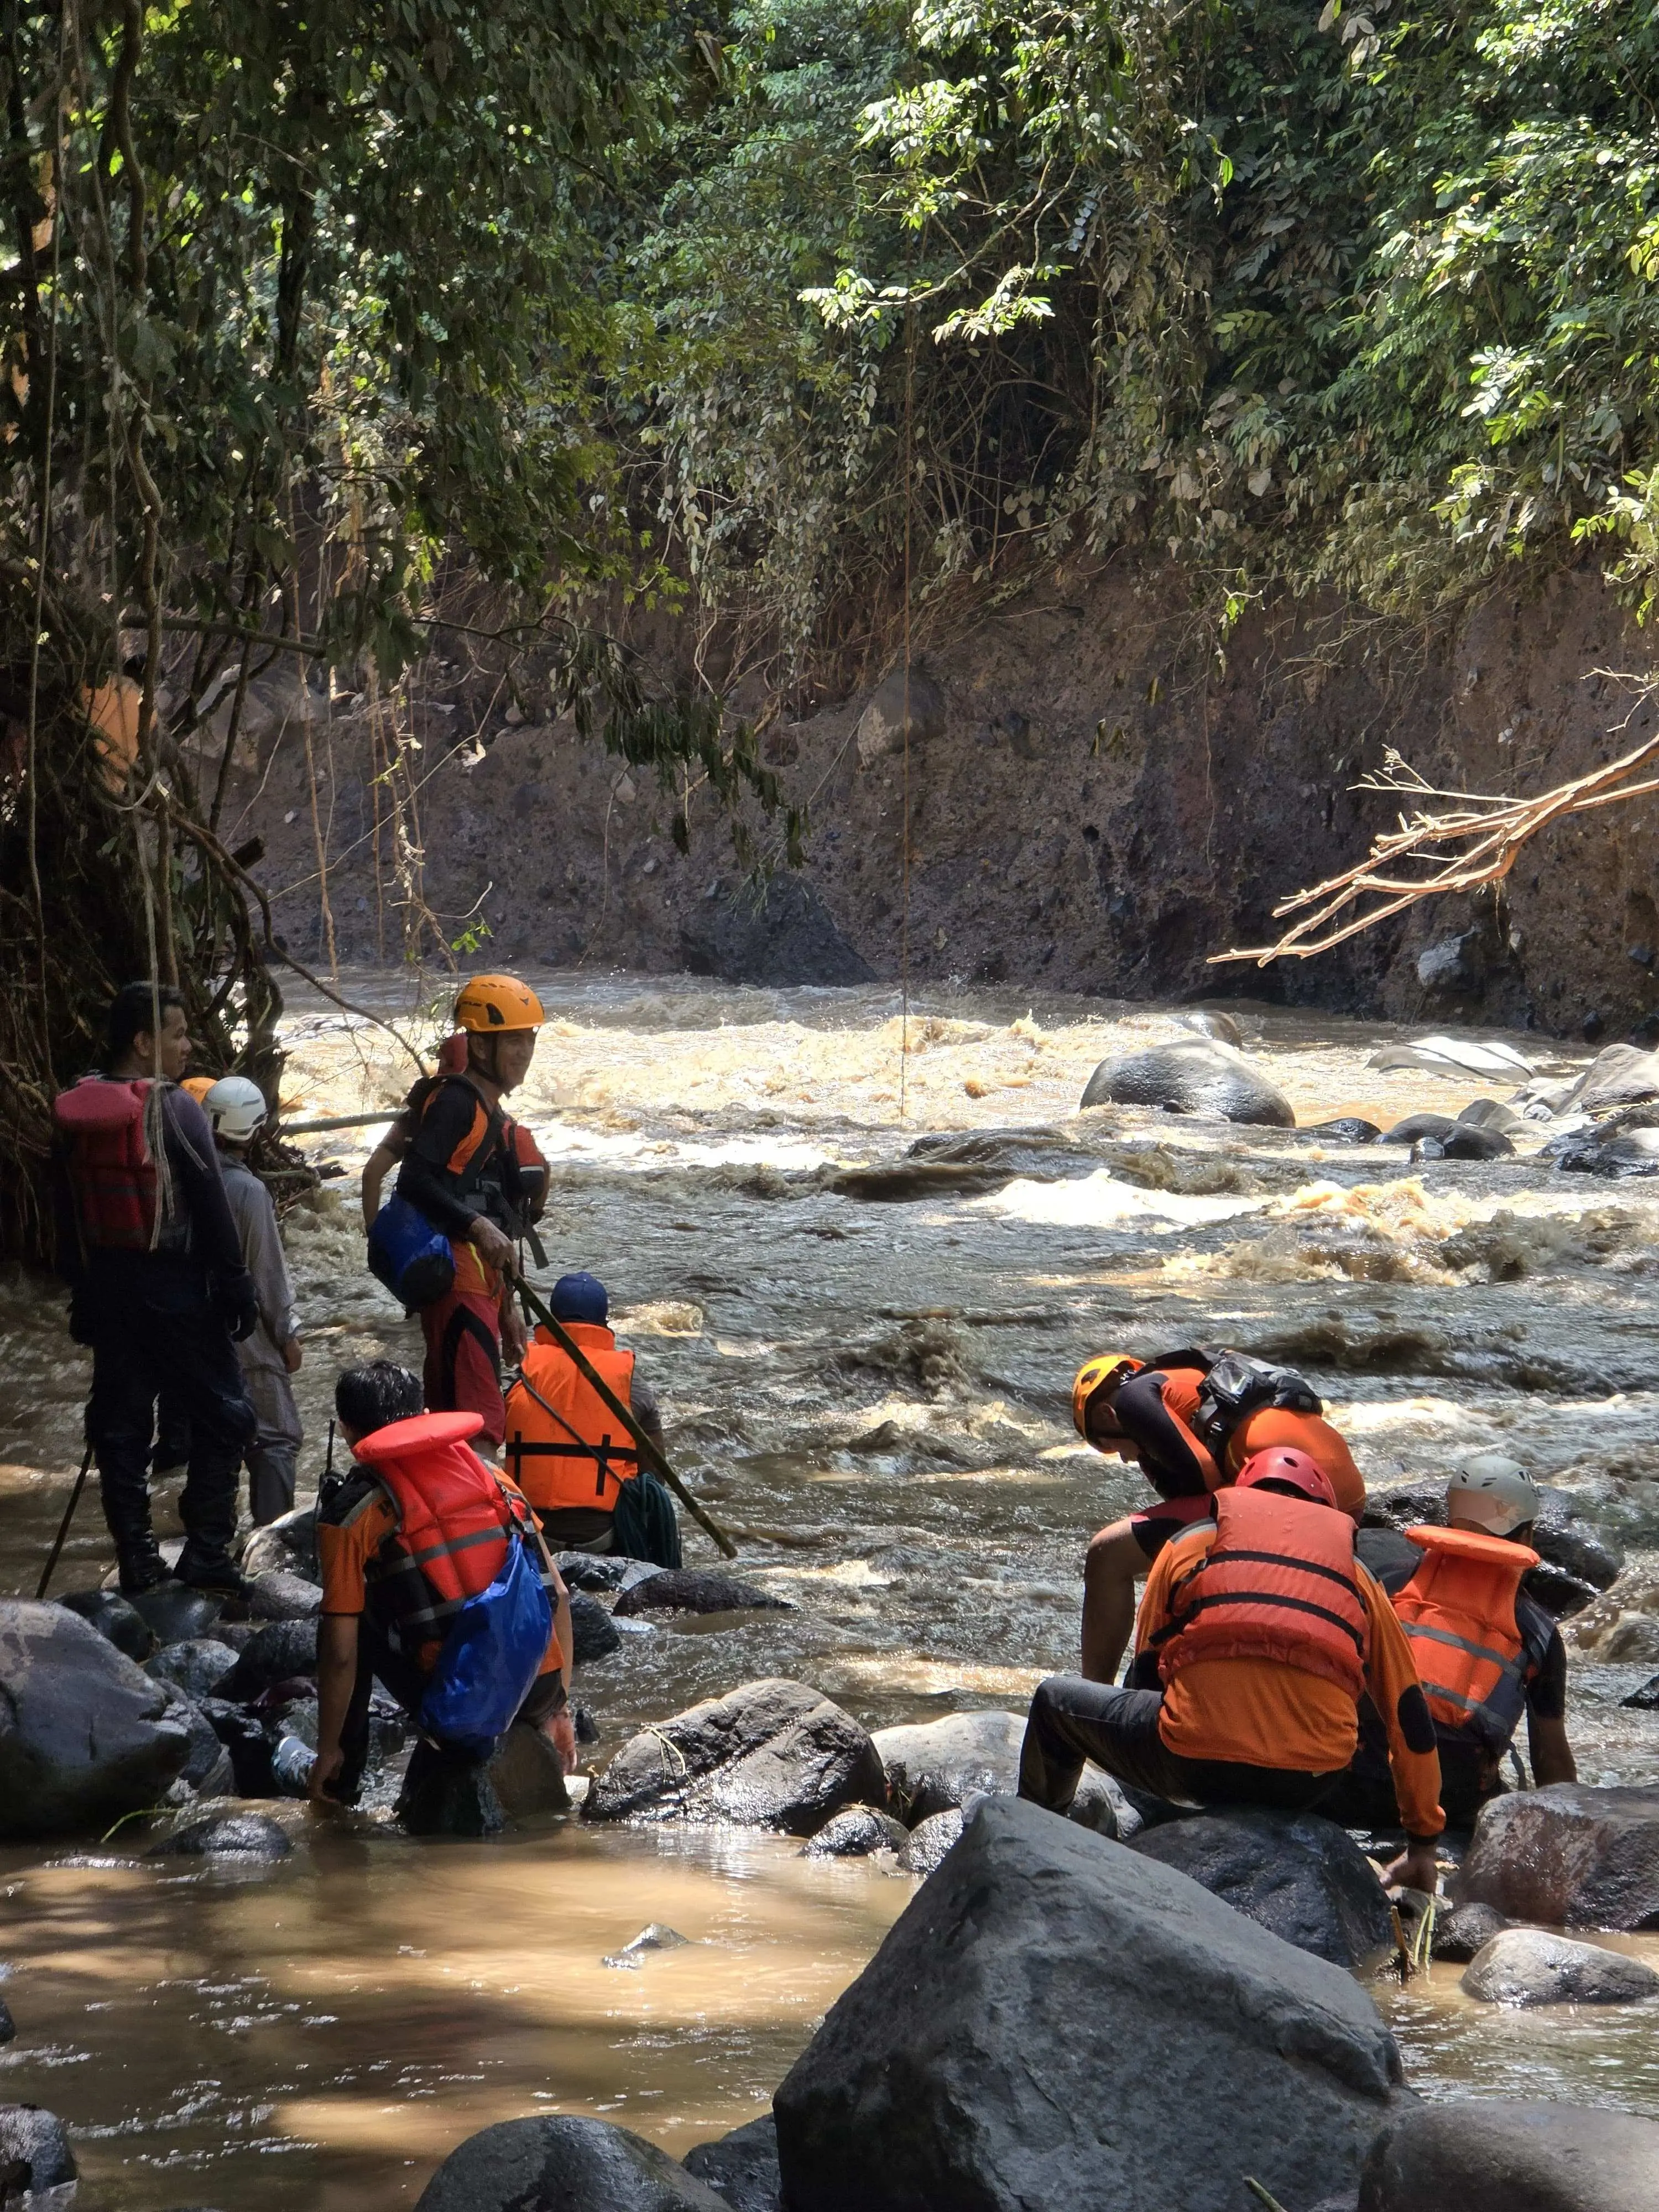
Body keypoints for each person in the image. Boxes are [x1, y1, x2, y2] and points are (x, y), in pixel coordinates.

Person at [1019, 1447, 1443, 1892]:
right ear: (1324, 1510)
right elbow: (1410, 1717)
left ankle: (1031, 1841)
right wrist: (1423, 1844)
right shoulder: (1358, 1576)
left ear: (1241, 1494)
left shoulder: (1189, 1542)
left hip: (1191, 1767)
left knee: (1054, 1702)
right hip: (1310, 1781)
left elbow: (1147, 1672)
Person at [54, 982, 258, 1596]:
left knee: (120, 1426)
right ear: (144, 1043)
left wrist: (81, 1290)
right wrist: (237, 1285)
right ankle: (207, 1554)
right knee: (228, 1416)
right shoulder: (175, 1108)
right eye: (178, 1034)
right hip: (175, 1288)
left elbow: (65, 1209)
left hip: (109, 1289)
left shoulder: (77, 1109)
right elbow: (211, 1205)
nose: (188, 1046)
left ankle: (139, 1560)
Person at [310, 1361, 575, 1818]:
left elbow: (340, 1656)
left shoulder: (352, 1513)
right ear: (426, 1415)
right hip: (540, 1691)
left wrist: (327, 1747)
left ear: (348, 1432)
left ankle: (340, 1782)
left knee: (351, 1618)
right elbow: (561, 1596)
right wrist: (559, 1707)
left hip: (462, 1713)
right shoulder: (494, 1478)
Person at [1070, 1347, 1366, 1684]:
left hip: (1284, 1499)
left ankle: (1093, 1691)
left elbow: (1204, 1480)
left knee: (1107, 1553)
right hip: (1348, 1499)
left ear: (1107, 1415)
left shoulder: (1133, 1399)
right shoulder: (1192, 1381)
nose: (1124, 1459)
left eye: (1108, 1447)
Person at [1334, 1453, 1575, 1831]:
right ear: (1527, 1537)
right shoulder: (1538, 1628)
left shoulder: (1387, 1584)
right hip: (1451, 1799)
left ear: (1451, 1521)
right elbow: (1551, 1759)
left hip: (1353, 1779)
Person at [389, 975, 545, 1449]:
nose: (524, 1053)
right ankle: (486, 1496)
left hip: (480, 1281)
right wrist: (476, 1226)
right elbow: (413, 1179)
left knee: (455, 1421)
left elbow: (493, 1213)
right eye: (512, 1041)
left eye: (528, 1040)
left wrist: (508, 1308)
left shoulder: (489, 1111)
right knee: (480, 1422)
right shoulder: (457, 1102)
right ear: (479, 1046)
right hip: (457, 1280)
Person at [503, 1272, 671, 1558]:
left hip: (531, 1532)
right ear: (603, 1323)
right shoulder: (630, 1381)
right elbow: (655, 1475)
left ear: (552, 1318)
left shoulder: (520, 1373)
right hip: (601, 1537)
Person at [201, 1076, 304, 1526]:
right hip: (245, 1339)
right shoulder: (249, 1192)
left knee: (213, 1442)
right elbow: (267, 1275)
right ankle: (273, 1541)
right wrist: (288, 1335)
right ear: (255, 1131)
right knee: (276, 1440)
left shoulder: (186, 1179)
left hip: (191, 1335)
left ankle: (208, 1542)